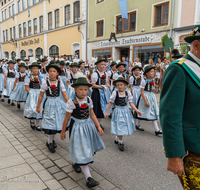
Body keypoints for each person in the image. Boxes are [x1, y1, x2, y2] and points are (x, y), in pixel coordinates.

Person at [160, 25, 200, 190]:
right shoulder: (179, 69)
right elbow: (170, 115)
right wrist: (174, 155)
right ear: (197, 44)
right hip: (193, 152)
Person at [60, 75, 105, 188]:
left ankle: (76, 162)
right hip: (77, 127)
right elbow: (67, 118)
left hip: (88, 126)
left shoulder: (89, 99)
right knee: (81, 149)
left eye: (85, 89)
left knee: (83, 148)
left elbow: (92, 114)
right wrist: (63, 131)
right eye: (81, 89)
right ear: (75, 90)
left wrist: (98, 126)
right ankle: (88, 178)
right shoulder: (72, 102)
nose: (83, 92)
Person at [37, 64, 69, 153]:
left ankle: (51, 140)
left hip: (58, 104)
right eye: (50, 71)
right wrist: (38, 106)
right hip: (49, 104)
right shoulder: (45, 82)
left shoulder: (60, 82)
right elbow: (41, 95)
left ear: (57, 73)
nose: (52, 73)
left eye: (54, 71)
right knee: (50, 121)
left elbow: (65, 94)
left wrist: (70, 104)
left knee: (56, 122)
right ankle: (49, 142)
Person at [105, 76, 142, 151]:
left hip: (125, 111)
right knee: (120, 125)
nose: (119, 86)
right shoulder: (115, 93)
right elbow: (110, 103)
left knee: (123, 125)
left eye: (121, 85)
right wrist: (107, 112)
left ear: (125, 85)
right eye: (118, 85)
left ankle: (117, 138)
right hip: (118, 110)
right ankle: (120, 142)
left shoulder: (127, 93)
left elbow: (131, 103)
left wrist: (137, 110)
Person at [134, 66, 162, 135]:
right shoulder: (143, 80)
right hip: (145, 96)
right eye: (151, 71)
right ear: (147, 73)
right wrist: (146, 101)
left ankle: (157, 130)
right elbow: (142, 91)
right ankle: (137, 124)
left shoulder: (152, 79)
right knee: (141, 110)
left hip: (151, 95)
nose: (153, 73)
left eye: (153, 71)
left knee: (153, 111)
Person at [91, 58, 111, 130]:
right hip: (97, 93)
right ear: (98, 65)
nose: (103, 66)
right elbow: (92, 85)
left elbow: (106, 82)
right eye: (102, 64)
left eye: (104, 65)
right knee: (96, 108)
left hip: (103, 93)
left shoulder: (105, 73)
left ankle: (98, 124)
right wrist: (101, 87)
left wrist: (107, 85)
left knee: (101, 108)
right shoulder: (95, 74)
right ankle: (94, 124)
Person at [24, 62, 44, 131]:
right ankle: (32, 121)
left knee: (39, 107)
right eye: (34, 68)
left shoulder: (40, 77)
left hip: (39, 93)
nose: (35, 70)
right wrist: (31, 92)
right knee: (32, 107)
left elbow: (42, 86)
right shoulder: (28, 77)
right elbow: (26, 87)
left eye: (37, 68)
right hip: (32, 93)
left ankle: (38, 124)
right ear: (31, 69)